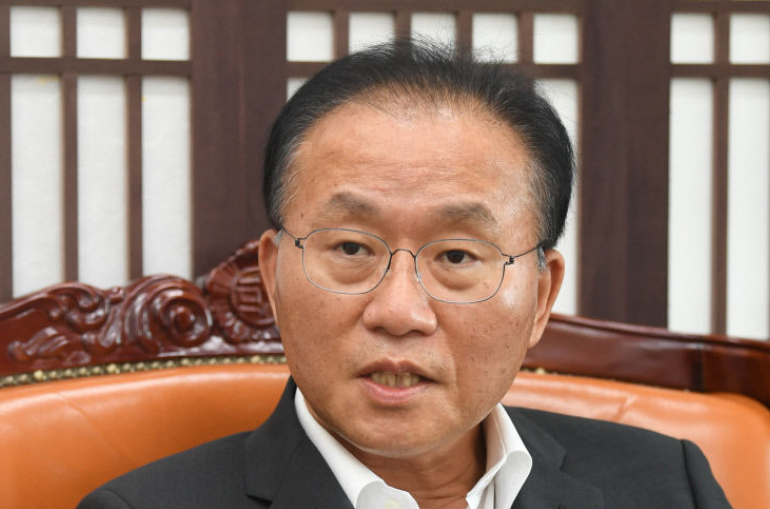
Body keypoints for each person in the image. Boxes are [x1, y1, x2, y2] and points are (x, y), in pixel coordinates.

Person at [77, 40, 731, 509]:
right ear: (273, 277)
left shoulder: (668, 485)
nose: (398, 311)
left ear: (540, 297)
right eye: (351, 248)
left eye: (457, 257)